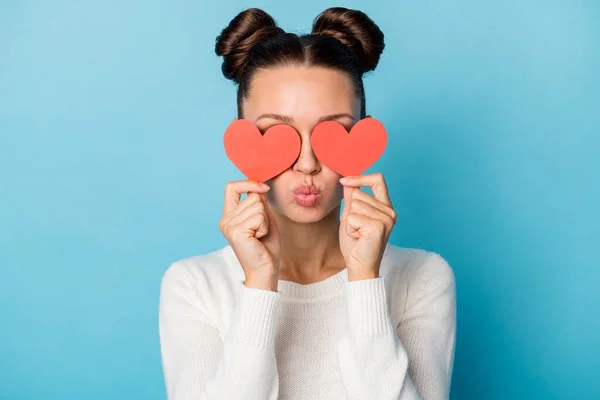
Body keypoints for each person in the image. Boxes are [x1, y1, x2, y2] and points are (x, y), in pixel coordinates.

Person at [158, 6, 456, 400]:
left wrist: (364, 279)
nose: (308, 164)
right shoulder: (194, 286)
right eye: (277, 133)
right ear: (244, 140)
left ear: (360, 138)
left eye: (334, 132)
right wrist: (259, 285)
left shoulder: (421, 278)